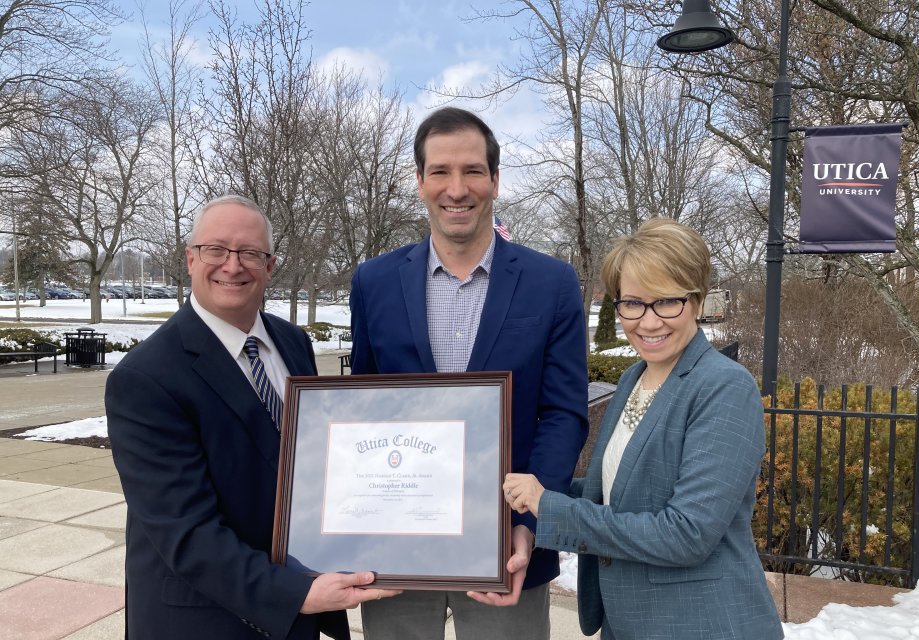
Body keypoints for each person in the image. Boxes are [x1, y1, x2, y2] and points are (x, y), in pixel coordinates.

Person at [106, 195, 397, 640]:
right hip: (204, 618)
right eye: (216, 249)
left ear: (270, 266)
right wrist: (295, 594)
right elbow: (185, 531)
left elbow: (311, 462)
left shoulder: (292, 342)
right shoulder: (145, 378)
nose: (233, 265)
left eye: (250, 253)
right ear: (190, 258)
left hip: (297, 608)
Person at [349, 106, 589, 640]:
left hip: (507, 549)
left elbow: (563, 413)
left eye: (472, 171)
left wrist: (529, 522)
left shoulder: (551, 283)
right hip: (398, 547)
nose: (456, 189)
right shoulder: (373, 283)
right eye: (440, 171)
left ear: (495, 180)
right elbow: (361, 409)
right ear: (420, 181)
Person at [503, 218, 784, 639]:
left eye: (667, 302)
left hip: (700, 623)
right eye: (633, 303)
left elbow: (687, 533)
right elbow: (620, 493)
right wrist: (531, 491)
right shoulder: (633, 379)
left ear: (697, 300)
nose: (648, 322)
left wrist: (550, 506)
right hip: (628, 622)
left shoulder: (724, 386)